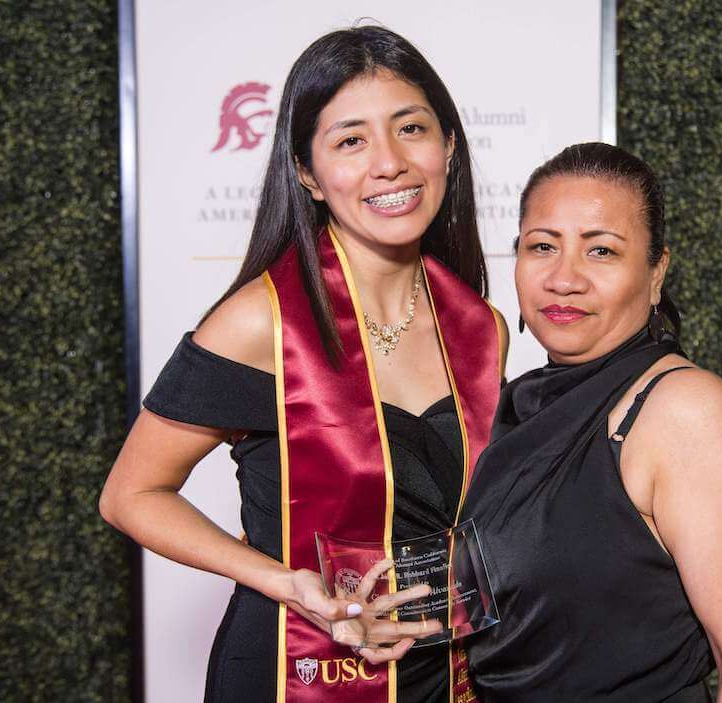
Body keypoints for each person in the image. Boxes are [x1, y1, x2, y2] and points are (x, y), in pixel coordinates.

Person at [99, 26, 507, 703]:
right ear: (307, 173)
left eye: (411, 128)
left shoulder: (482, 327)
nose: (390, 162)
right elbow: (130, 494)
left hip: (444, 674)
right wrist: (283, 581)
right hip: (298, 670)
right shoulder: (259, 322)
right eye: (351, 140)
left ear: (449, 146)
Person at [460, 143, 722, 702]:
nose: (564, 278)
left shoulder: (683, 410)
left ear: (656, 272)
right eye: (542, 247)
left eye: (602, 252)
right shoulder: (510, 406)